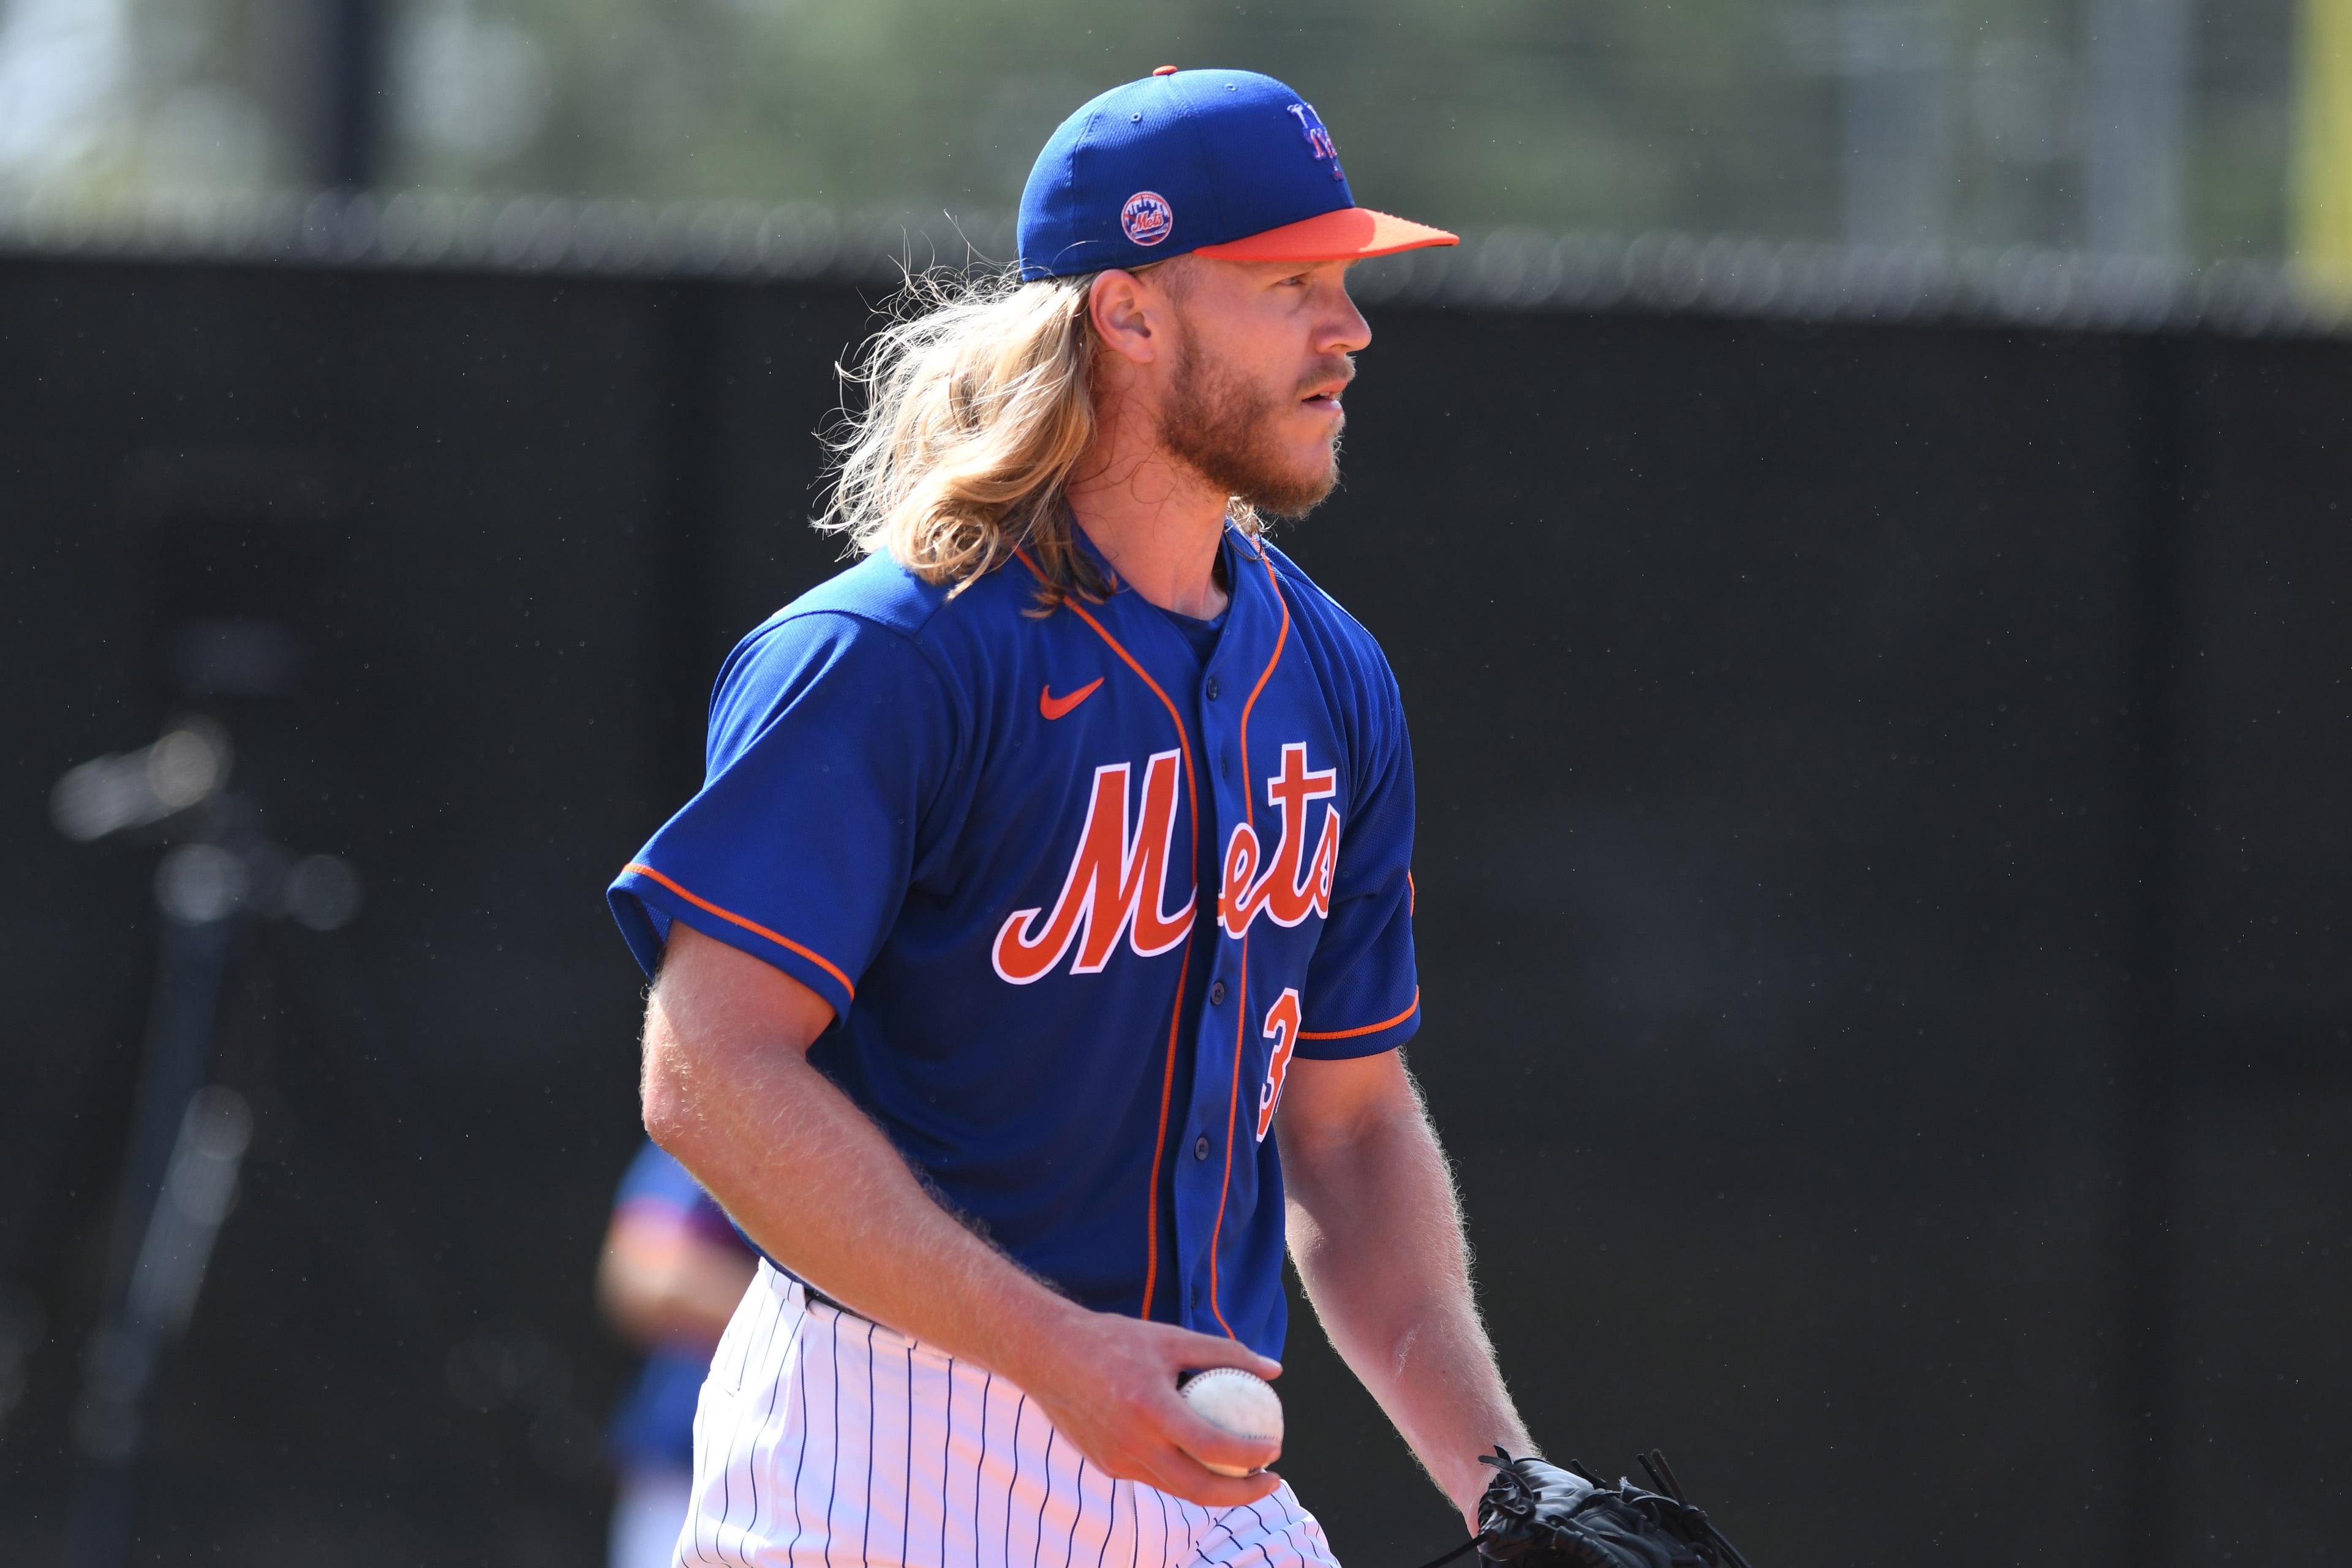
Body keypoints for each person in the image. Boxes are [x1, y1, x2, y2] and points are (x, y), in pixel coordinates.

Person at [608, 66, 1535, 1568]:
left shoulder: (1328, 673)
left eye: (1346, 282)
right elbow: (704, 1070)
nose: (1347, 329)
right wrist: (1048, 1347)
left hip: (1188, 1454)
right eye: (1289, 282)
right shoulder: (895, 654)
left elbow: (1348, 1131)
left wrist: (1505, 1479)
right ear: (1127, 310)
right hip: (882, 1460)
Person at [597, 1140, 759, 1568]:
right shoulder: (742, 1104)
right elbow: (643, 1273)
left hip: (863, 1490)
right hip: (690, 1487)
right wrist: (814, 1317)